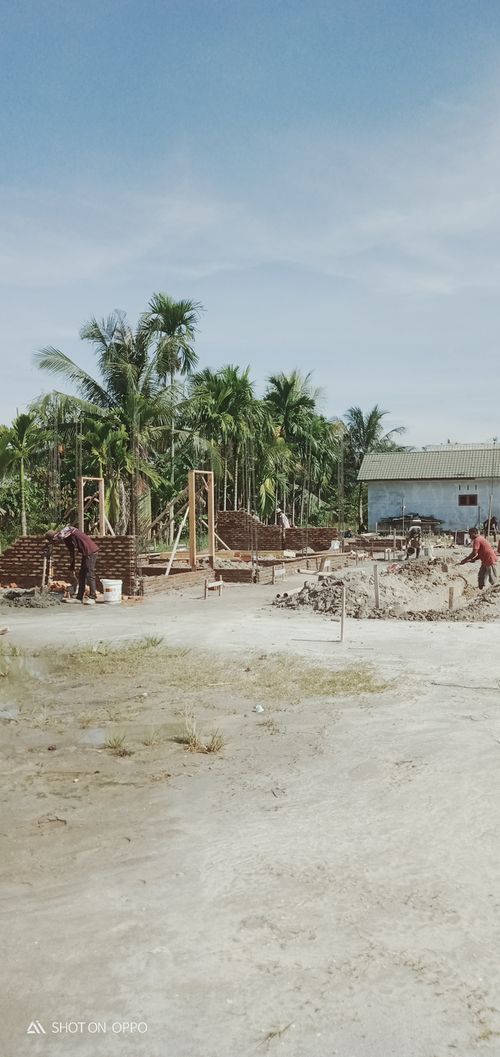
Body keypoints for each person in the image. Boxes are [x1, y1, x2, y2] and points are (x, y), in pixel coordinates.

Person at [46, 526, 99, 605]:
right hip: (86, 553)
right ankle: (79, 598)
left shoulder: (67, 530)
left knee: (89, 574)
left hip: (90, 551)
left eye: (54, 542)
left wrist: (50, 544)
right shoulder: (66, 538)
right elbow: (72, 552)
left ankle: (93, 597)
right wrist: (72, 567)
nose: (56, 543)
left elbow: (60, 536)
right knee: (82, 575)